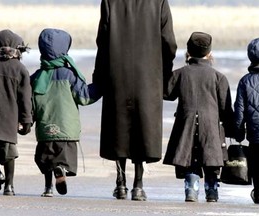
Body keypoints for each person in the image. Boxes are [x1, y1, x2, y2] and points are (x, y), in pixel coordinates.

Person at [93, 0, 177, 201]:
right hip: (148, 75)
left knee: (119, 126)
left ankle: (120, 183)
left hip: (117, 72)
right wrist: (163, 72)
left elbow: (102, 40)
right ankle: (138, 185)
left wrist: (101, 74)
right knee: (142, 126)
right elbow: (169, 42)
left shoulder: (110, 1)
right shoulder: (159, 2)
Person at [163, 32, 234, 202]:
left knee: (190, 160)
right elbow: (226, 110)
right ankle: (212, 193)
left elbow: (166, 94)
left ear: (188, 52)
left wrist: (164, 70)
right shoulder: (219, 77)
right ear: (209, 53)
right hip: (211, 127)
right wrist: (235, 130)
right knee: (211, 161)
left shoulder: (180, 74)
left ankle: (191, 192)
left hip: (185, 125)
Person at [31, 28, 99, 197]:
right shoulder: (69, 75)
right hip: (67, 129)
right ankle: (61, 169)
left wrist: (26, 121)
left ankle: (48, 188)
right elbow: (84, 97)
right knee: (61, 159)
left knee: (46, 160)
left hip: (45, 128)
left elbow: (29, 104)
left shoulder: (37, 77)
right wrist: (101, 86)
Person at [0, 29, 32, 196]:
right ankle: (9, 186)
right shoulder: (20, 69)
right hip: (8, 118)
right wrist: (26, 121)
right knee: (8, 151)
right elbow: (25, 99)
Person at [234, 36, 259, 205]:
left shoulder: (245, 81)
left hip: (255, 133)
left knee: (255, 164)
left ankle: (257, 192)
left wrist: (238, 132)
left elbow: (239, 110)